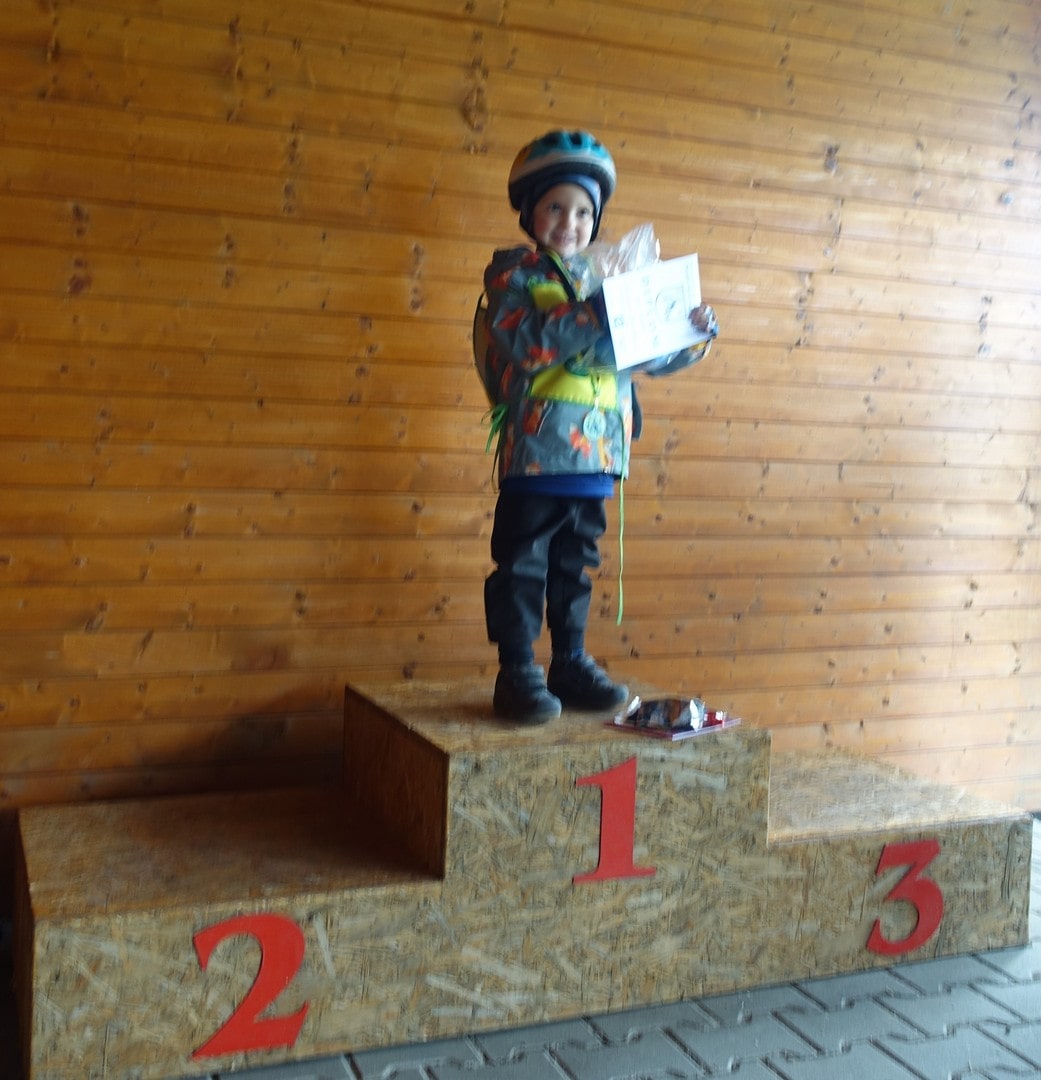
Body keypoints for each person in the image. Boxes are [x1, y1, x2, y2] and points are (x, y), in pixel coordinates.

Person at [480, 129, 718, 723]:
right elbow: (525, 345)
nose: (571, 222)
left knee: (575, 563)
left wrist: (691, 334)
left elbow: (647, 356)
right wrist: (594, 311)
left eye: (584, 212)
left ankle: (569, 661)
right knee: (523, 562)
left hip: (597, 457)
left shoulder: (608, 275)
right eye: (556, 207)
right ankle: (517, 671)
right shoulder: (514, 275)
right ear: (530, 212)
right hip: (538, 454)